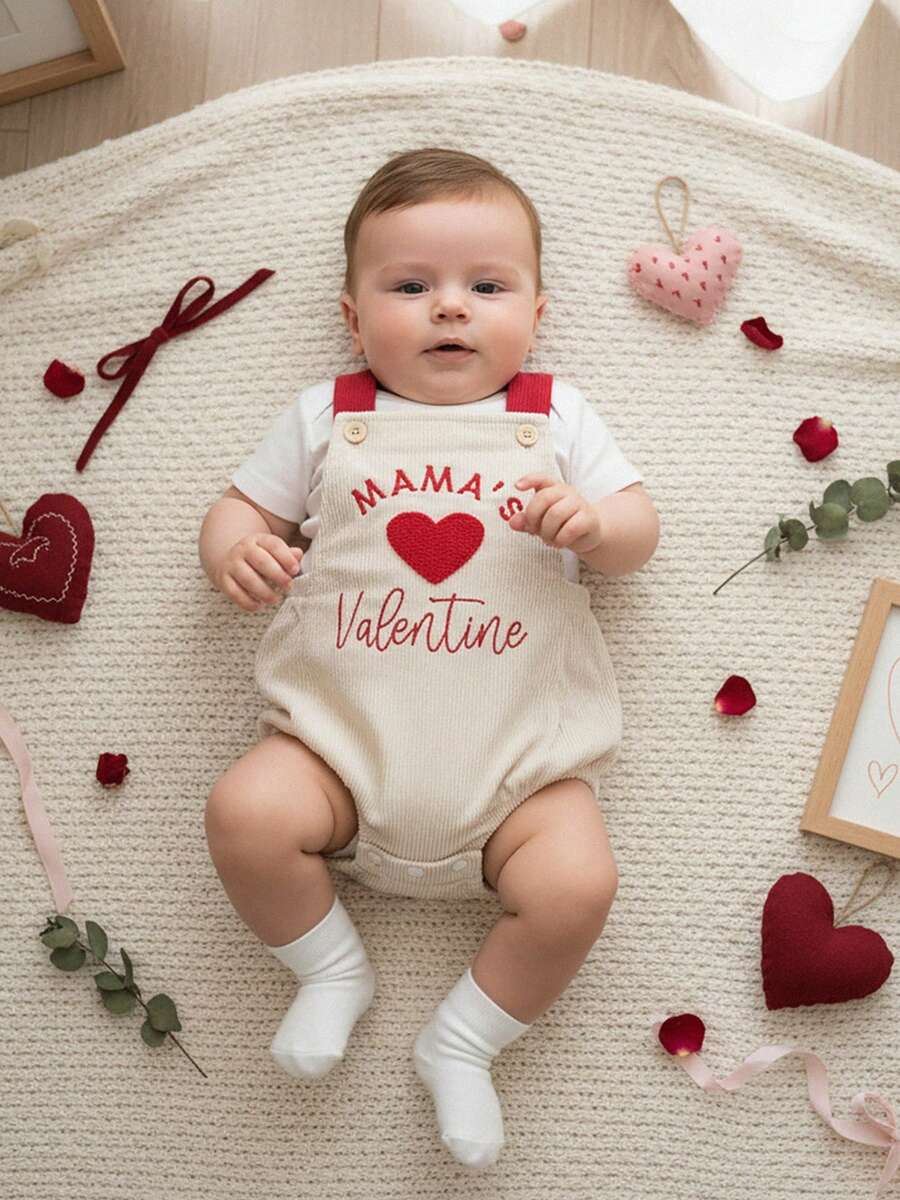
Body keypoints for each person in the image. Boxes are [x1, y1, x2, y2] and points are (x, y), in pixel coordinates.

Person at [198, 146, 660, 1169]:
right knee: (244, 812)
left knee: (579, 885)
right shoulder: (331, 416)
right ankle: (328, 969)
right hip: (338, 750)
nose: (450, 309)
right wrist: (236, 546)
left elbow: (639, 529)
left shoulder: (556, 416)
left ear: (537, 312)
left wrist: (596, 525)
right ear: (355, 320)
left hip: (520, 775)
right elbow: (240, 506)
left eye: (485, 287)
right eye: (411, 286)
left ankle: (464, 1039)